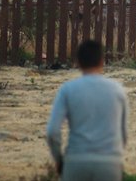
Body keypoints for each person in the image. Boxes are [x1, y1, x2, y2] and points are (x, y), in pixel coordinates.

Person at [47, 40, 130, 181]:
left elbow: (52, 132)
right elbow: (123, 134)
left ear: (78, 62)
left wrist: (59, 159)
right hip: (109, 162)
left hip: (76, 160)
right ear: (102, 61)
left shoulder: (67, 89)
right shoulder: (118, 90)